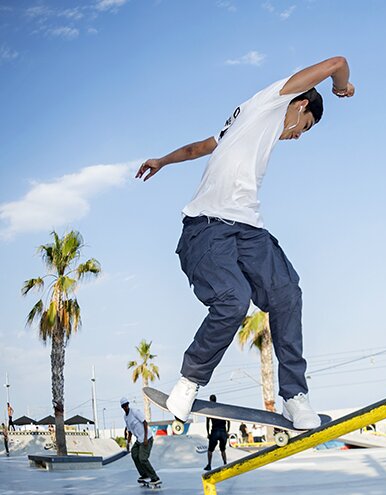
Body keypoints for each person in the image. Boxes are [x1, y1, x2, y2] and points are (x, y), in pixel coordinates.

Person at [136, 56, 356, 431]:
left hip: (249, 229)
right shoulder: (269, 102)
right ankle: (188, 382)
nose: (298, 136)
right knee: (233, 301)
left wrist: (162, 160)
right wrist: (341, 87)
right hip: (206, 228)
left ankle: (294, 396)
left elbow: (198, 148)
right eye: (305, 126)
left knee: (287, 292)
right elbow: (338, 62)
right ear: (301, 104)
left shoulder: (240, 125)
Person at [121, 397, 159, 488]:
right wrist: (128, 443)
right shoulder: (125, 417)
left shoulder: (135, 412)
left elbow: (145, 423)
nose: (126, 407)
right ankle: (144, 474)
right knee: (134, 454)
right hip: (139, 440)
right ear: (122, 407)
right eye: (124, 406)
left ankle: (155, 477)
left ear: (128, 404)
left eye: (126, 405)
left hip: (147, 438)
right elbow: (129, 431)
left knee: (143, 458)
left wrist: (145, 438)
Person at [205, 395, 230, 471]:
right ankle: (225, 464)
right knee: (223, 450)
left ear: (210, 400)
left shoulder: (210, 410)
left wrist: (208, 433)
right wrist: (227, 431)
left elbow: (207, 423)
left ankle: (209, 465)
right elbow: (228, 421)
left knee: (210, 450)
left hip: (215, 431)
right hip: (223, 431)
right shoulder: (222, 409)